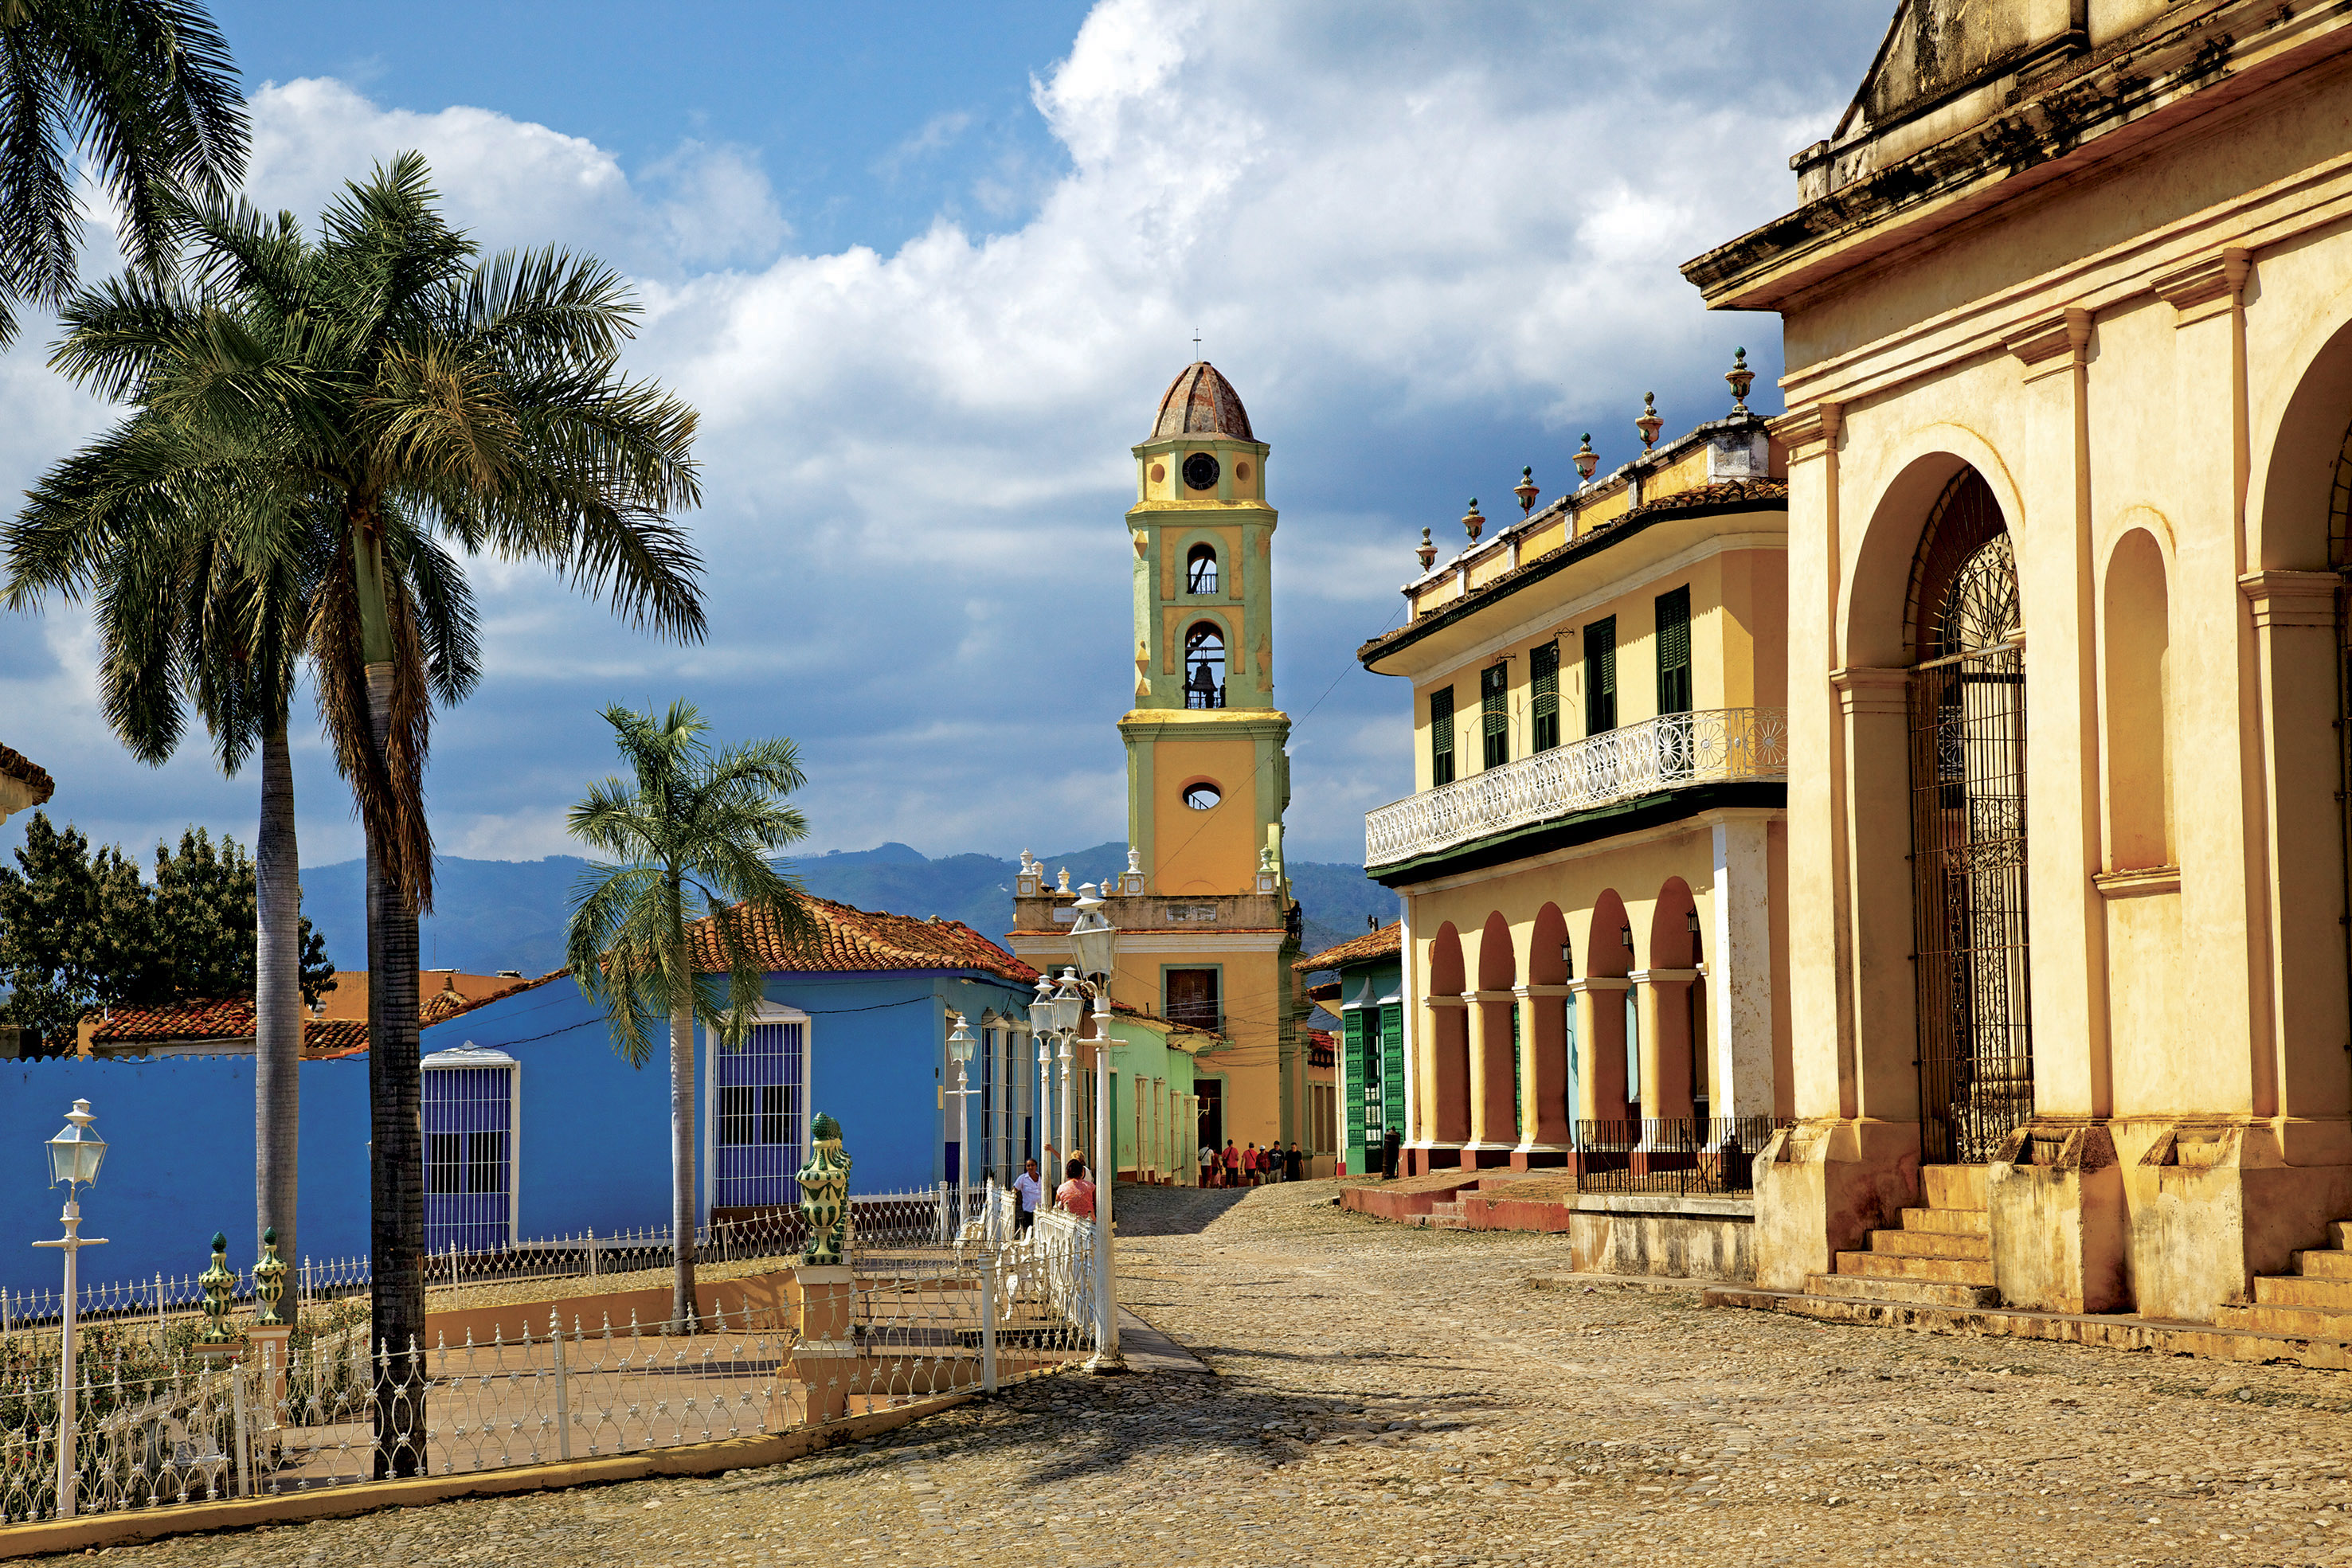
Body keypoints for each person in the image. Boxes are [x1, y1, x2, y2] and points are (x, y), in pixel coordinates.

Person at [1055, 1154, 1096, 1219]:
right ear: (1082, 1172)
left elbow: (1057, 1207)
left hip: (1069, 1223)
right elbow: (1097, 1204)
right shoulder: (1091, 1186)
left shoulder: (1061, 1188)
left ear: (1067, 1172)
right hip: (1089, 1223)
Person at [1012, 1158, 1043, 1233]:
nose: (1030, 1167)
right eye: (1028, 1166)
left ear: (1036, 1166)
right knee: (1030, 1231)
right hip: (1029, 1210)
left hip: (1042, 1209)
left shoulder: (1042, 1177)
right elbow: (1014, 1190)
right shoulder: (1022, 1178)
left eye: (1032, 1165)